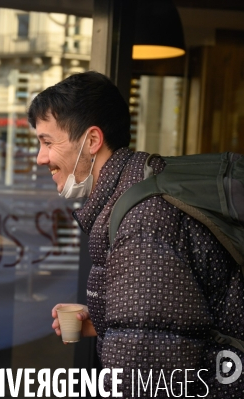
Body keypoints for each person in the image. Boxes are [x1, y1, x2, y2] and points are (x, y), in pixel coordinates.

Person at [31, 71, 244, 397]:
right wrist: (106, 320)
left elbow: (143, 368)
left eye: (48, 142)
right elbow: (160, 325)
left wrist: (125, 329)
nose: (40, 157)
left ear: (91, 141)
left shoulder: (142, 222)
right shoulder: (137, 185)